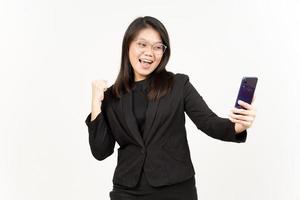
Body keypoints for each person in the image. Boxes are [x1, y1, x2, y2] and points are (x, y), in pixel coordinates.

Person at [85, 16, 256, 200]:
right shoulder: (112, 96)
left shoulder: (178, 85)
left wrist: (237, 126)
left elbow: (209, 123)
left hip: (175, 190)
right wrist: (96, 103)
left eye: (157, 47)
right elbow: (101, 151)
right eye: (142, 44)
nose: (149, 52)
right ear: (128, 46)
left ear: (164, 52)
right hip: (127, 191)